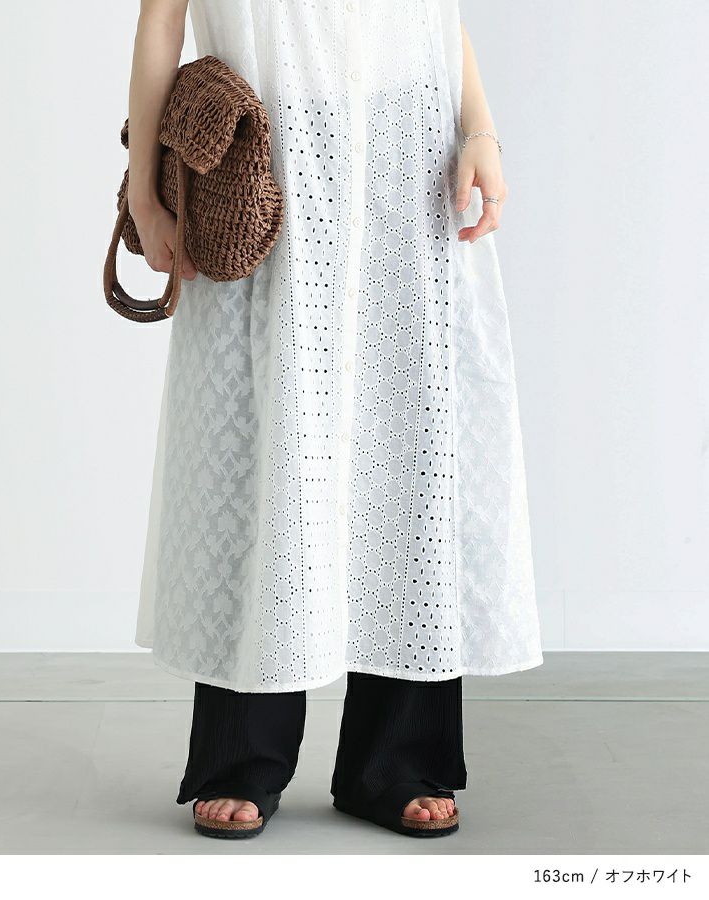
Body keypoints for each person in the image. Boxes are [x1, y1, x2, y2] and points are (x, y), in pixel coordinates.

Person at [128, 0, 543, 839]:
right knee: (263, 463)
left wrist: (481, 131)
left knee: (413, 451)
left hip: (409, 148)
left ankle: (397, 762)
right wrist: (145, 188)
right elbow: (161, 20)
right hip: (266, 162)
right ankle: (241, 758)